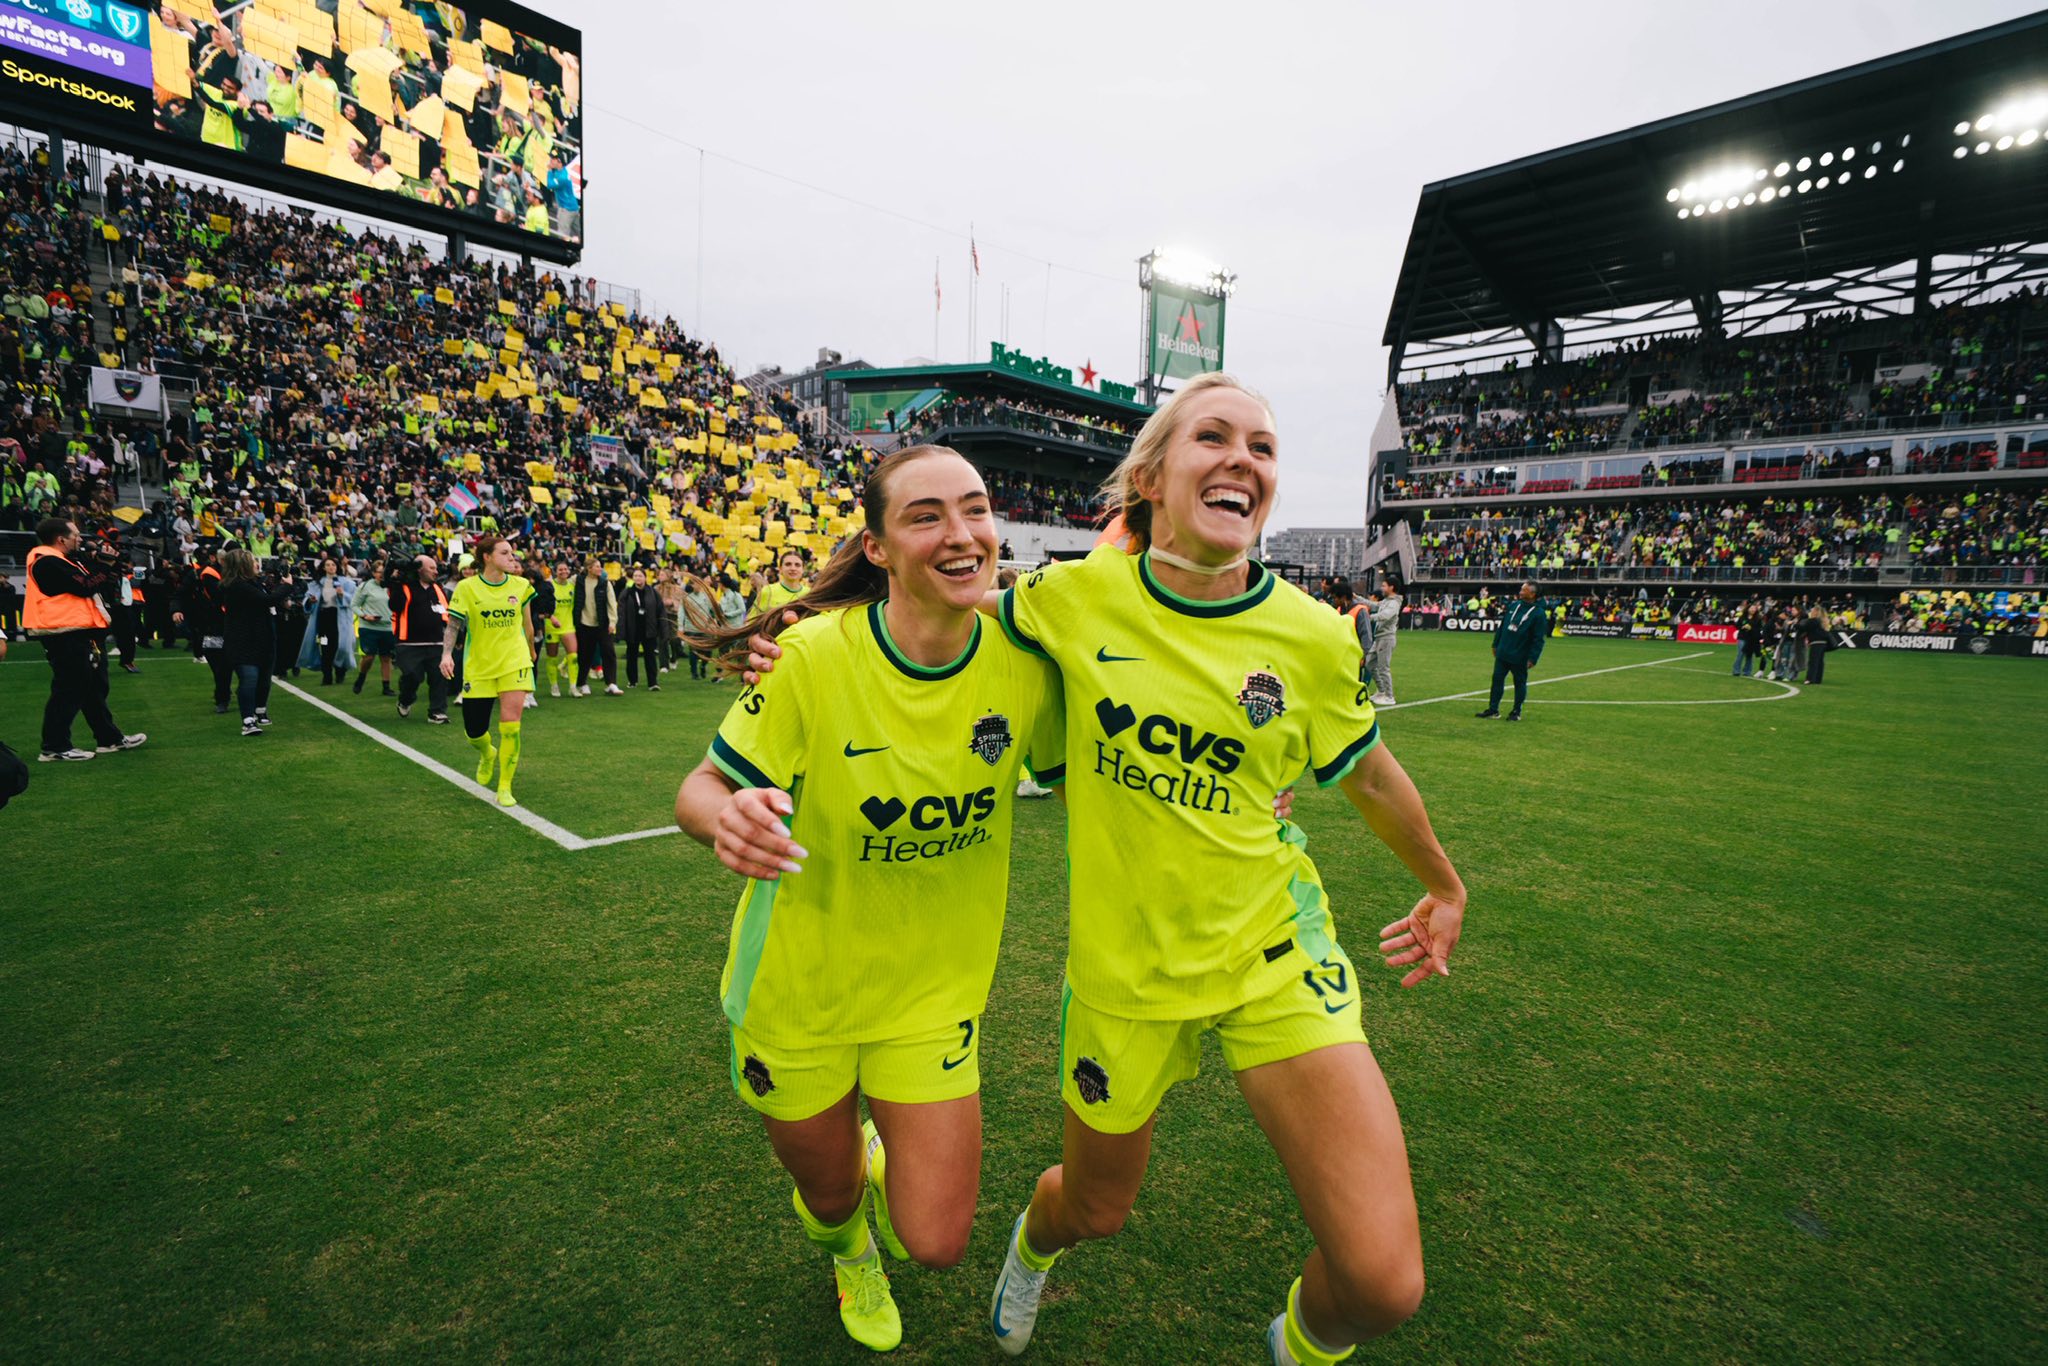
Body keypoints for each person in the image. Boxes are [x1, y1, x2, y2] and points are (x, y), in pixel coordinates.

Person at [748, 376, 1452, 1363]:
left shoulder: (1312, 636)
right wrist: (799, 637)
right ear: (1155, 476)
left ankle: (1293, 1346)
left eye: (1262, 446)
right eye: (1213, 437)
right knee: (1093, 1207)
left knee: (1382, 1282)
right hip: (1125, 979)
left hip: (1273, 951)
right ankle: (1033, 1247)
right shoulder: (1067, 598)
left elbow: (1368, 776)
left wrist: (1443, 882)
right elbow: (937, 599)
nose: (1243, 458)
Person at [675, 446, 1065, 1354]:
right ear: (880, 547)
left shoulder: (1028, 660)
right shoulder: (811, 655)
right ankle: (850, 1253)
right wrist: (724, 817)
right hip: (798, 992)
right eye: (925, 516)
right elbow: (699, 788)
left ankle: (876, 1180)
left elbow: (1108, 762)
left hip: (930, 996)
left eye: (974, 509)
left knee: (936, 1240)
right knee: (832, 1195)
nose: (961, 534)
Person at [25, 517, 146, 761]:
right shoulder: (46, 561)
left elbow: (94, 583)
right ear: (61, 539)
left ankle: (109, 739)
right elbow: (84, 586)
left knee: (94, 688)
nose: (80, 539)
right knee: (69, 690)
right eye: (75, 536)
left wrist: (107, 566)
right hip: (63, 633)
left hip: (81, 631)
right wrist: (103, 565)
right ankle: (54, 746)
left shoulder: (62, 560)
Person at [441, 535, 536, 807]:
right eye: (505, 553)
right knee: (474, 731)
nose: (512, 557)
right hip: (479, 666)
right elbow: (454, 625)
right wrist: (447, 654)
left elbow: (527, 623)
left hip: (514, 662)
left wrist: (530, 649)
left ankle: (505, 786)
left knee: (511, 727)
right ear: (487, 557)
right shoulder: (467, 588)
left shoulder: (522, 585)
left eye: (512, 553)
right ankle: (486, 752)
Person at [218, 548, 287, 737]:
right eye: (253, 561)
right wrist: (286, 586)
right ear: (243, 565)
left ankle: (258, 711)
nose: (257, 564)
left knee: (263, 678)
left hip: (261, 637)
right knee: (249, 678)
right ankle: (248, 720)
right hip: (243, 639)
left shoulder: (252, 583)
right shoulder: (237, 586)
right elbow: (267, 600)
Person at [389, 553, 451, 724]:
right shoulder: (405, 587)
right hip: (409, 643)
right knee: (412, 676)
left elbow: (447, 613)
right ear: (419, 569)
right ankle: (406, 699)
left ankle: (437, 712)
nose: (436, 571)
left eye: (436, 568)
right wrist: (396, 583)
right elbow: (394, 606)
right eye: (431, 568)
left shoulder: (438, 589)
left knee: (440, 676)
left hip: (437, 642)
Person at [1476, 582, 1548, 721]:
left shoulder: (1539, 614)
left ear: (1532, 594)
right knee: (1497, 680)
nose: (1520, 591)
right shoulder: (1514, 605)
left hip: (1521, 656)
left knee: (1519, 683)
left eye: (1524, 590)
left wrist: (1533, 658)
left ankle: (1516, 711)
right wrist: (1495, 643)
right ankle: (1493, 710)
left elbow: (1538, 639)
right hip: (1503, 652)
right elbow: (1503, 626)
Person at [299, 557, 357, 686]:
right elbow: (307, 599)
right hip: (323, 620)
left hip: (339, 620)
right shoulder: (317, 583)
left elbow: (353, 600)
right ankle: (327, 675)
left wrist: (343, 595)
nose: (331, 567)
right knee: (325, 647)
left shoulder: (347, 583)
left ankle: (340, 671)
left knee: (340, 646)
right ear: (324, 568)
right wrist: (310, 601)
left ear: (337, 567)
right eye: (328, 565)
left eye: (333, 565)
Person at [573, 558, 621, 696]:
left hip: (603, 625)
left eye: (600, 566)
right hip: (584, 624)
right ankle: (582, 683)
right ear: (589, 568)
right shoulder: (578, 581)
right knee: (584, 655)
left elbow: (612, 604)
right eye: (597, 566)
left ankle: (611, 683)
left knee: (609, 652)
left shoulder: (605, 584)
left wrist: (612, 622)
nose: (600, 569)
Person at [350, 559, 396, 696]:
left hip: (387, 627)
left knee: (386, 657)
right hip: (369, 626)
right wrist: (364, 616)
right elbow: (354, 605)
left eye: (384, 572)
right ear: (373, 573)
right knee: (369, 657)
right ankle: (361, 677)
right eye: (379, 572)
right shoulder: (365, 586)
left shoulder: (391, 586)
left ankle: (386, 686)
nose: (382, 575)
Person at [617, 565, 664, 691]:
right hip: (632, 630)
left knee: (650, 657)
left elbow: (660, 611)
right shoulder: (627, 592)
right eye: (635, 576)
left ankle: (653, 683)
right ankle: (632, 681)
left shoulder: (653, 592)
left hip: (649, 630)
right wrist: (621, 630)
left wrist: (662, 629)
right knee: (632, 656)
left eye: (640, 576)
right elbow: (621, 612)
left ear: (645, 577)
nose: (637, 578)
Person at [538, 560, 578, 698]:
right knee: (552, 658)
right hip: (551, 627)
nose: (563, 572)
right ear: (556, 571)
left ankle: (573, 687)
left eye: (566, 569)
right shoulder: (550, 586)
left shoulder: (572, 587)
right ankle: (554, 685)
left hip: (568, 626)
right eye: (560, 570)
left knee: (573, 657)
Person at [1366, 573, 1402, 705]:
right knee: (1369, 664)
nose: (1382, 588)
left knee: (1383, 667)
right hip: (1379, 637)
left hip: (1386, 638)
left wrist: (1368, 617)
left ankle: (1389, 696)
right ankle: (1381, 691)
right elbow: (1374, 605)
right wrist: (1356, 598)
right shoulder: (1386, 601)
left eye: (1384, 586)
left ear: (1391, 587)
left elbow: (1385, 616)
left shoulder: (1394, 604)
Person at [755, 548, 809, 616]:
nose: (793, 568)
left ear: (803, 569)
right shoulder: (768, 591)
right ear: (780, 569)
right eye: (788, 564)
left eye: (797, 565)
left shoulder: (809, 594)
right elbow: (753, 620)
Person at [1802, 606, 1830, 684]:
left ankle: (1810, 679)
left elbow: (1804, 627)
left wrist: (1795, 624)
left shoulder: (1814, 621)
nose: (1811, 612)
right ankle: (1818, 679)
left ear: (1816, 612)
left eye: (1812, 611)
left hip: (1816, 642)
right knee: (1820, 661)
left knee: (1813, 661)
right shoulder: (1822, 621)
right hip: (1823, 643)